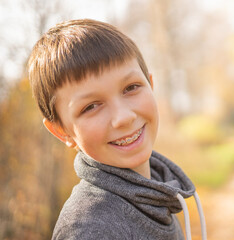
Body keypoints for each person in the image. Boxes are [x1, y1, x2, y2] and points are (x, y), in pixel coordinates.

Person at [27, 19, 206, 240]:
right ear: (61, 131)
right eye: (91, 106)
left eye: (131, 88)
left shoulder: (159, 194)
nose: (123, 117)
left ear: (151, 85)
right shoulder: (91, 229)